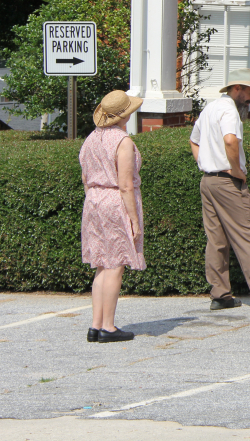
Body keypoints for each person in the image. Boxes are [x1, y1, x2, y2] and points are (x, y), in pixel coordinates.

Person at [190, 68, 250, 311]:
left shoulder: (211, 108)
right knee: (247, 237)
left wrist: (203, 163)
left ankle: (220, 294)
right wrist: (235, 170)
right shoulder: (229, 111)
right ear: (237, 89)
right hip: (226, 182)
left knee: (216, 240)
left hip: (208, 181)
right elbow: (230, 140)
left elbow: (194, 140)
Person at [79, 90, 146, 343]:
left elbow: (86, 178)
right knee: (116, 263)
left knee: (101, 264)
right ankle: (108, 326)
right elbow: (126, 184)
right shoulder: (123, 141)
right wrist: (134, 219)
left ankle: (95, 325)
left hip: (93, 201)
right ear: (124, 115)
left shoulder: (90, 139)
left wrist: (95, 199)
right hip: (115, 202)